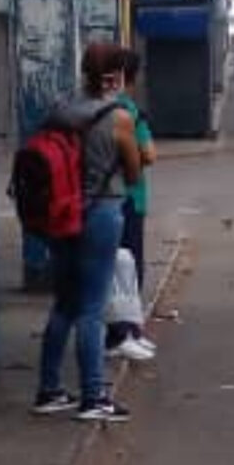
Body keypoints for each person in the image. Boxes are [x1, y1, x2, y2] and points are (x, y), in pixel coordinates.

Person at [32, 43, 143, 421]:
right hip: (101, 213)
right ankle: (93, 396)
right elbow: (133, 174)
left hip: (60, 213)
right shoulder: (119, 118)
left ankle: (48, 390)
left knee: (65, 302)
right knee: (93, 309)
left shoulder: (61, 110)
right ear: (116, 76)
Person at [103, 46, 159, 364]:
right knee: (128, 268)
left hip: (105, 198)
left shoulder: (92, 107)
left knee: (119, 268)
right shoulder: (127, 110)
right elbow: (148, 154)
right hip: (126, 198)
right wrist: (131, 161)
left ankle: (129, 332)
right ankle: (122, 334)